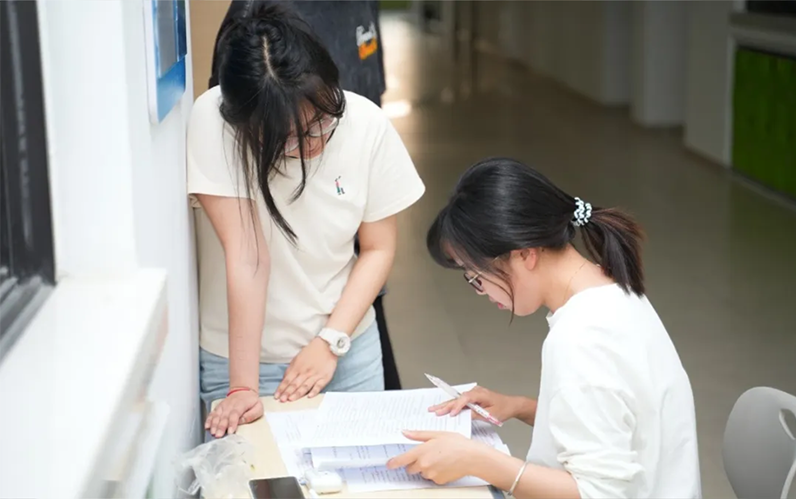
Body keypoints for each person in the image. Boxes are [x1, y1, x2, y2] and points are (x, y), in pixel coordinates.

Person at [386, 158, 701, 498]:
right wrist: (520, 407)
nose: (481, 291)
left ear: (525, 254)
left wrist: (477, 460)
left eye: (476, 276)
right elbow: (616, 425)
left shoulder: (582, 338)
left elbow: (600, 492)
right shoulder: (611, 288)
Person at [188, 4, 424, 438]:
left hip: (346, 351)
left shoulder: (366, 125)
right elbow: (248, 256)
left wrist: (330, 342)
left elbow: (378, 248)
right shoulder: (213, 122)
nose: (313, 143)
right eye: (288, 139)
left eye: (321, 122)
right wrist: (243, 387)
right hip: (241, 361)